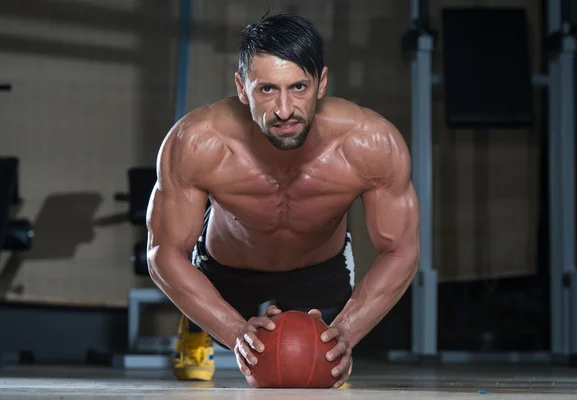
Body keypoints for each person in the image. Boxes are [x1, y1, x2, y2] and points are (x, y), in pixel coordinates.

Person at [146, 12, 420, 389]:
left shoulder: (370, 142)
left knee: (328, 372)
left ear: (321, 83)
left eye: (298, 88)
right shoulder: (198, 141)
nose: (285, 110)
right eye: (267, 89)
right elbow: (163, 252)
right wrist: (233, 330)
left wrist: (347, 332)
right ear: (242, 88)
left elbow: (401, 249)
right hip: (227, 265)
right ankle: (196, 325)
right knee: (196, 370)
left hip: (319, 268)